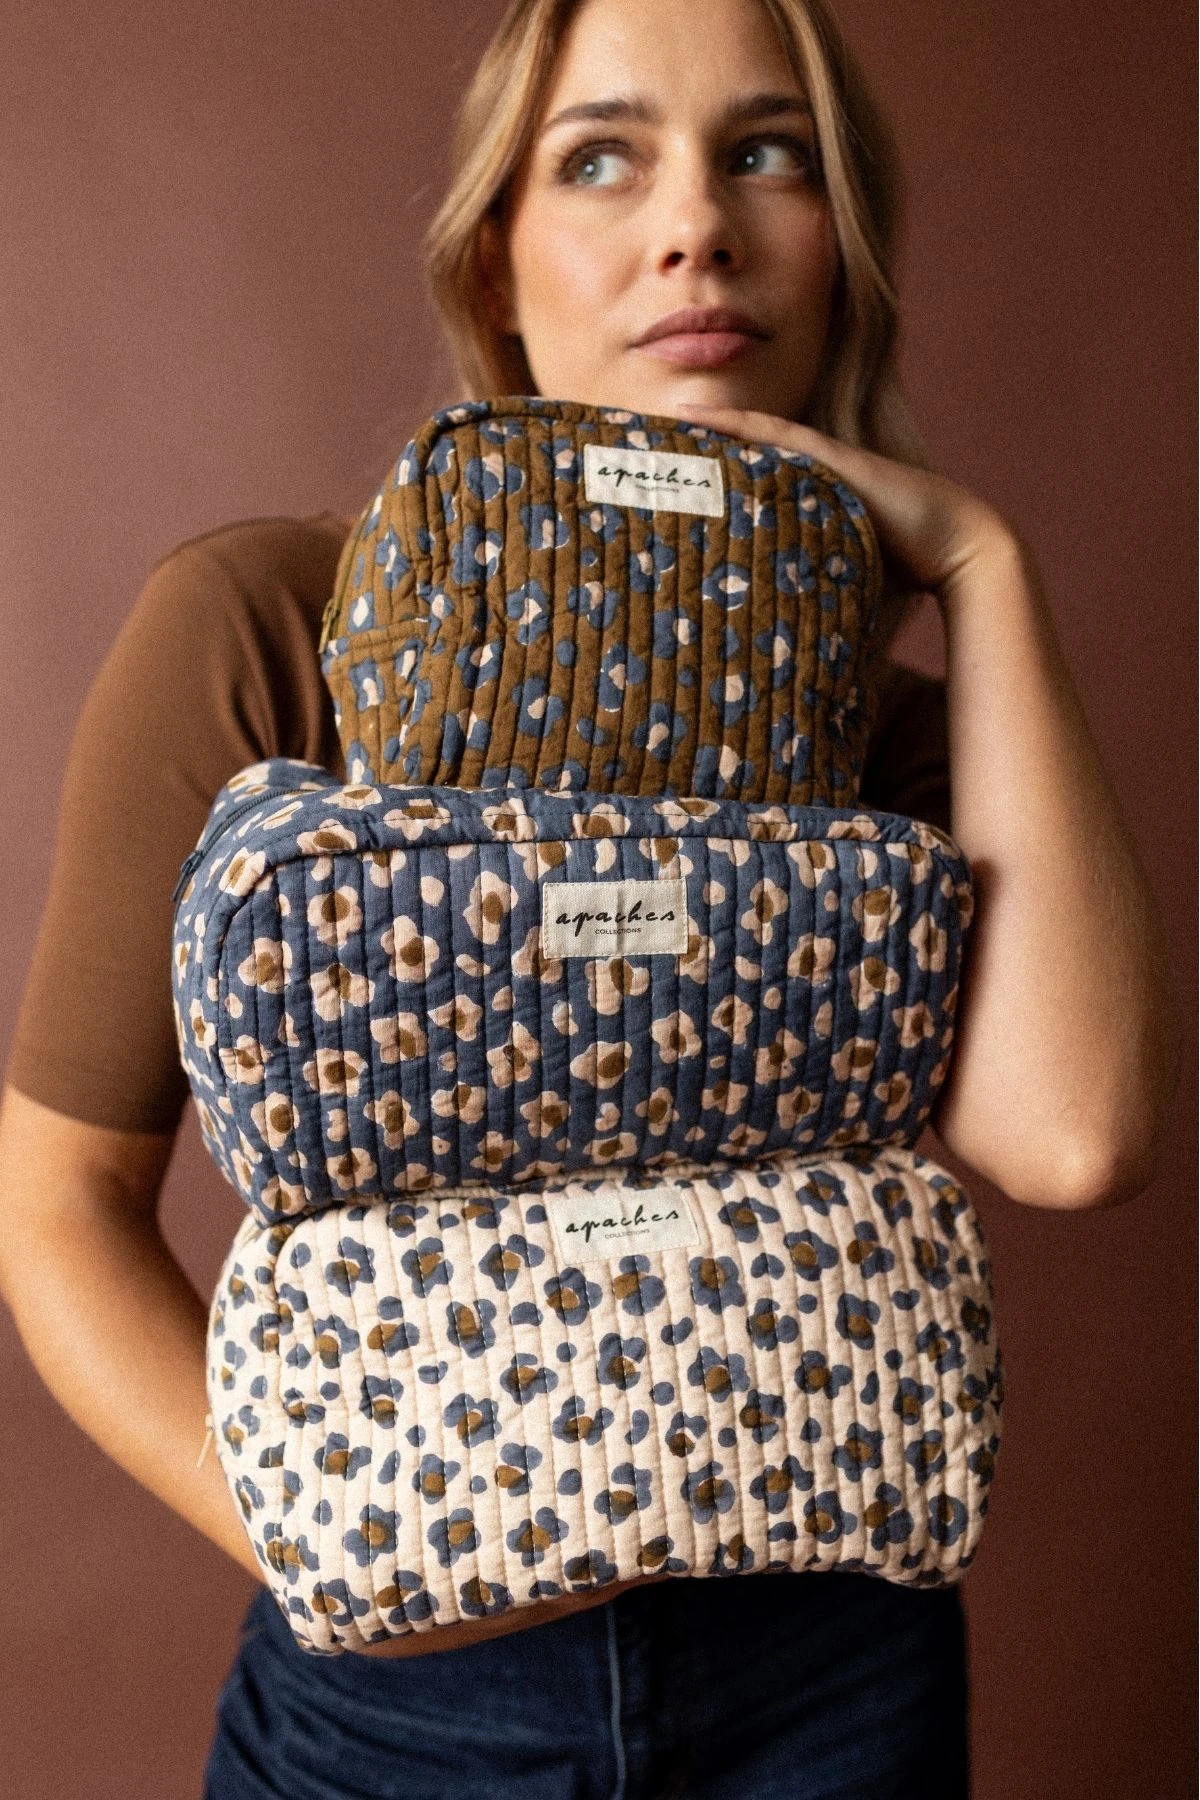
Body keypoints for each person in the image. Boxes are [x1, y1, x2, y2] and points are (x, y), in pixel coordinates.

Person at [0, 0, 1181, 1794]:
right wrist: (353, 1550)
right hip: (398, 1705)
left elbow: (1076, 1136)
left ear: (843, 249)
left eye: (767, 153)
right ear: (496, 265)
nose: (695, 224)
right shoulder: (270, 623)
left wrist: (980, 561)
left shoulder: (900, 726)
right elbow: (59, 1211)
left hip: (830, 1682)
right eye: (602, 158)